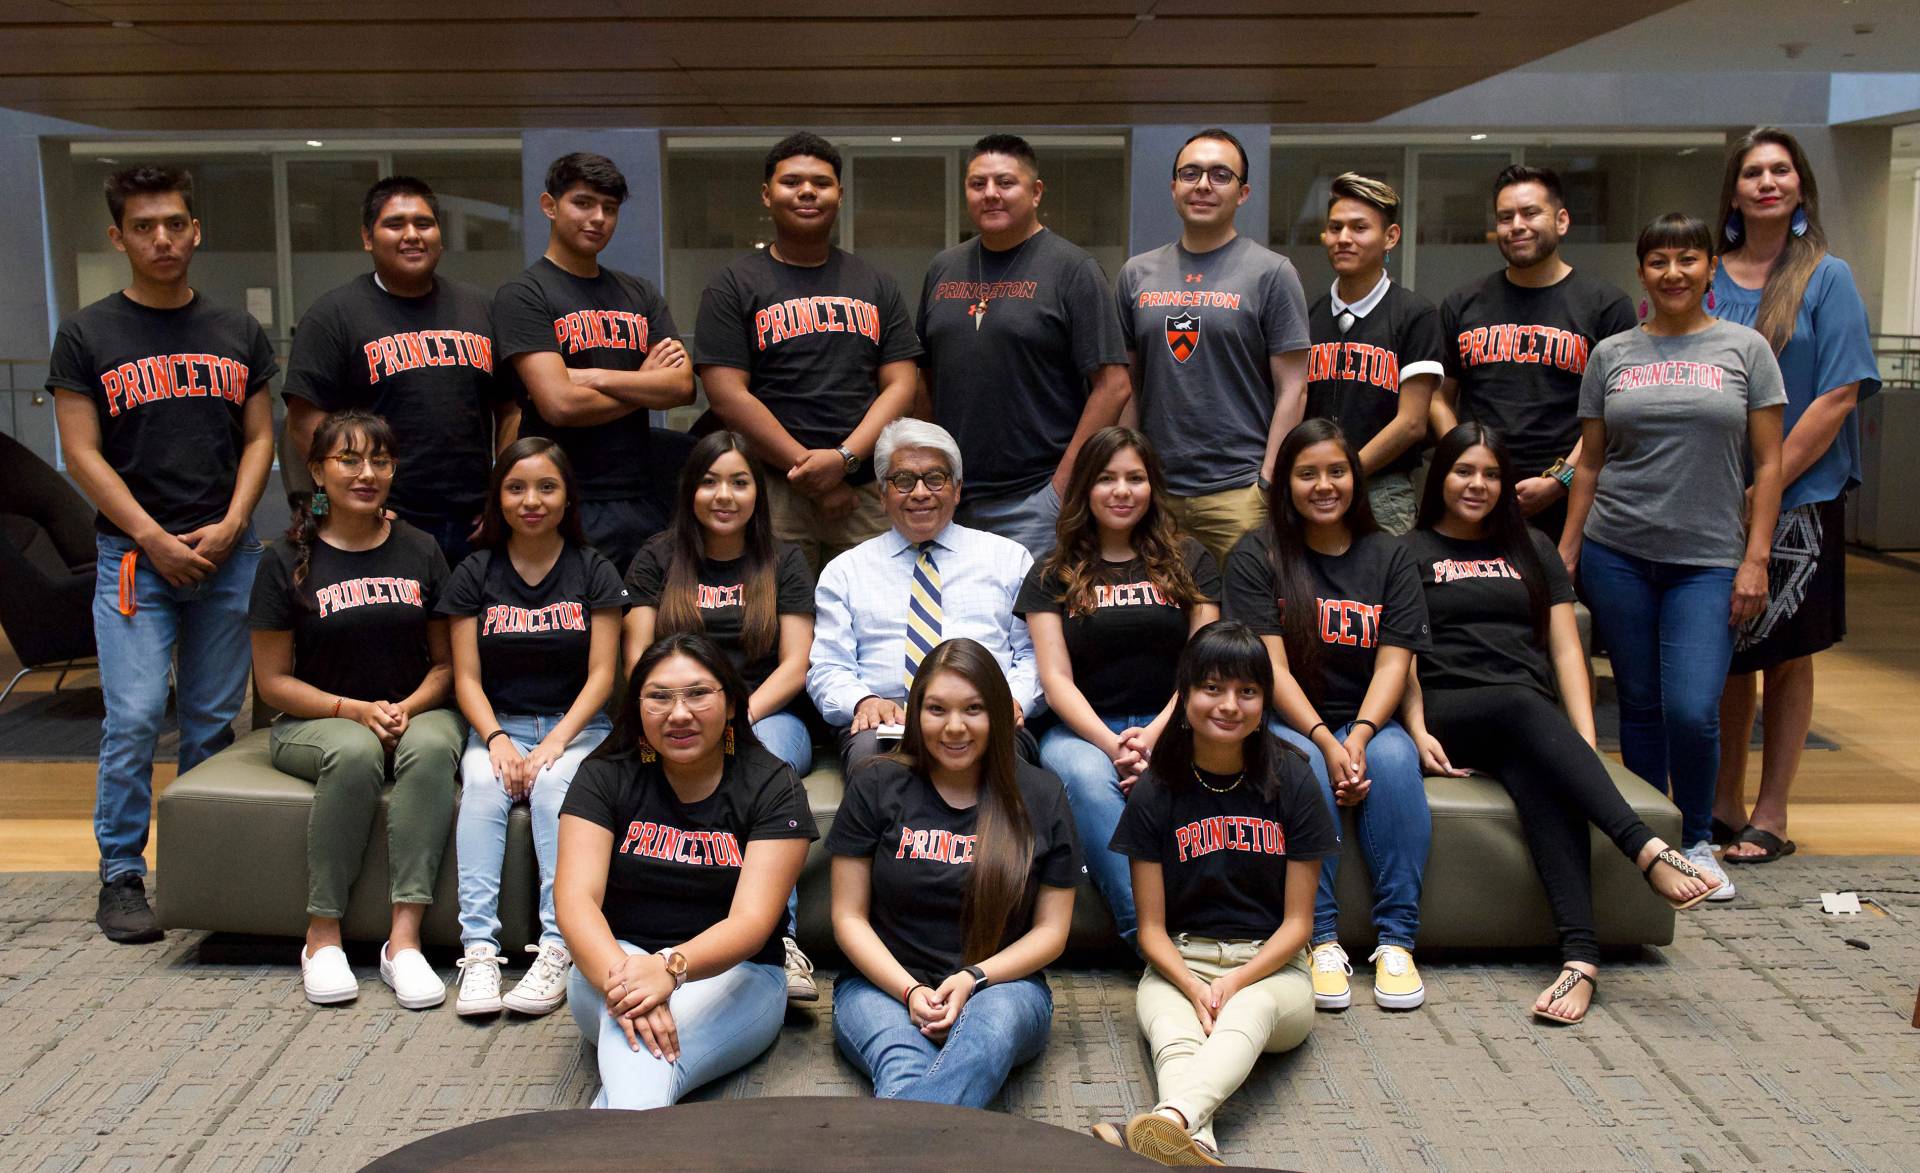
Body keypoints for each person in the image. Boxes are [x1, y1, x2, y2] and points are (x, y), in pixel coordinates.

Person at [1402, 424, 1722, 1026]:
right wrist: (1417, 730)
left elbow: (1567, 649)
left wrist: (1583, 738)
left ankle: (1581, 958)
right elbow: (1404, 658)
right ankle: (1646, 848)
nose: (1477, 485)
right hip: (1452, 709)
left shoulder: (1534, 550)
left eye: (1491, 474)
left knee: (1545, 779)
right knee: (1524, 707)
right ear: (1439, 477)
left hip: (1525, 718)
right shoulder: (1410, 552)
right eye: (1463, 471)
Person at [50, 164, 277, 944]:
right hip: (135, 563)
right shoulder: (88, 333)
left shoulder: (236, 332)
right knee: (138, 716)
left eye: (175, 223)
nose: (162, 238)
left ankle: (194, 866)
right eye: (144, 227)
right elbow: (82, 453)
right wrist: (151, 537)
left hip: (226, 556)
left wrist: (234, 522)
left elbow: (260, 437)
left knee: (215, 722)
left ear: (196, 229)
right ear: (118, 237)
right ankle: (121, 873)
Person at [1561, 213, 1786, 900]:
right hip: (1617, 551)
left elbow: (1771, 464)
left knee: (1693, 706)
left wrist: (1756, 558)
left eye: (1688, 259)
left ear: (1711, 267)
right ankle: (1652, 842)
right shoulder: (1613, 355)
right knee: (1638, 705)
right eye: (1659, 261)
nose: (1674, 273)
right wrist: (1568, 550)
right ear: (1642, 273)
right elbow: (1591, 464)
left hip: (1710, 559)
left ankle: (1696, 838)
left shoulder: (1745, 349)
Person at [1087, 622, 1336, 1166]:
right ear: (1186, 692)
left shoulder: (1293, 777)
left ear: (1265, 700)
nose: (1230, 705)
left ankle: (1162, 1126)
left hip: (1274, 973)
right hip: (1178, 965)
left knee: (1246, 1012)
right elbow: (1150, 930)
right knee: (1176, 1043)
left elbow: (1299, 924)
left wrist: (1233, 982)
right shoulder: (1155, 789)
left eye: (1247, 692)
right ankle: (1192, 1145)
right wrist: (1194, 987)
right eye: (1213, 688)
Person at [250, 411, 464, 1009]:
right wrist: (353, 710)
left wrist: (404, 707)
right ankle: (322, 938)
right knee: (354, 749)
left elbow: (447, 667)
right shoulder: (283, 557)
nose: (366, 473)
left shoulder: (420, 548)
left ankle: (405, 941)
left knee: (428, 750)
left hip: (415, 710)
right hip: (317, 721)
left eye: (379, 461)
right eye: (349, 460)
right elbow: (271, 682)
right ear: (318, 470)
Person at [1709, 128, 1882, 865]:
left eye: (1781, 170)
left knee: (1786, 651)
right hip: (1713, 493)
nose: (1768, 182)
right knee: (1724, 652)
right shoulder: (1707, 276)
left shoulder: (1828, 276)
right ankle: (1722, 799)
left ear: (1802, 187)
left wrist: (1767, 484)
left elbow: (1840, 392)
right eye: (1753, 172)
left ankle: (1772, 812)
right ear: (1735, 191)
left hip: (1802, 498)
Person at [1223, 419, 1433, 1013]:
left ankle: (1397, 942)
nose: (1324, 485)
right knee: (1306, 762)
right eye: (1307, 473)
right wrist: (1325, 738)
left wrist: (1362, 734)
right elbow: (1270, 671)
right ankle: (1319, 940)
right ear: (1285, 483)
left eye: (1336, 471)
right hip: (1289, 719)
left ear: (1356, 478)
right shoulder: (1255, 554)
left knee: (1394, 759)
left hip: (1367, 716)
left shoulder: (1391, 554)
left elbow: (1395, 665)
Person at [555, 632, 815, 1110]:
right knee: (646, 1052)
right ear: (637, 707)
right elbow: (574, 900)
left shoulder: (773, 784)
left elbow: (751, 924)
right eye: (659, 697)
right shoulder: (605, 773)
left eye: (698, 693)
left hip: (738, 976)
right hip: (611, 964)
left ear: (732, 704)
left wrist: (669, 971)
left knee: (639, 1065)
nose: (679, 713)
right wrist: (632, 980)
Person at [826, 638, 1080, 1107]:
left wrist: (973, 979)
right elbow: (848, 917)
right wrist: (908, 990)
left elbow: (1052, 932)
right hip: (882, 986)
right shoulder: (876, 784)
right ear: (915, 714)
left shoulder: (1041, 794)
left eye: (974, 709)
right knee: (903, 1064)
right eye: (937, 709)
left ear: (999, 714)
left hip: (1002, 988)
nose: (955, 727)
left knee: (985, 1039)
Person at [622, 430, 822, 1003]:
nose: (723, 495)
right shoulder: (657, 558)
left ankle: (777, 939)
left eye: (738, 482)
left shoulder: (783, 560)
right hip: (672, 711)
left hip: (765, 713)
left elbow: (795, 664)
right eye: (709, 481)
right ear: (690, 489)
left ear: (757, 492)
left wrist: (737, 720)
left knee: (765, 761)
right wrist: (670, 712)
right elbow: (638, 658)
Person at [440, 437, 627, 1017]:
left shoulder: (593, 568)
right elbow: (465, 678)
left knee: (554, 789)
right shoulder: (476, 571)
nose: (532, 500)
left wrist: (555, 742)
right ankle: (478, 950)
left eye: (547, 487)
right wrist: (495, 738)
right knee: (480, 791)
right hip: (500, 726)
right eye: (517, 488)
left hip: (579, 728)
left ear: (567, 496)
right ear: (498, 497)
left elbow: (603, 675)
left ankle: (557, 944)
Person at [1015, 426, 1220, 948]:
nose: (1122, 491)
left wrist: (1154, 738)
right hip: (1084, 732)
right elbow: (1055, 679)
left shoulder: (1190, 559)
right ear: (1084, 489)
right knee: (1084, 778)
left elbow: (1204, 667)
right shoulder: (1051, 571)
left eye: (1136, 477)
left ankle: (1216, 929)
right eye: (1106, 479)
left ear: (1153, 487)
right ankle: (1149, 942)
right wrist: (1114, 747)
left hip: (1179, 720)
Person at [697, 132, 922, 573]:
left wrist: (843, 460)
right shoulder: (733, 284)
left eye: (820, 182)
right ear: (767, 194)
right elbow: (726, 395)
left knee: (874, 622)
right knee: (778, 623)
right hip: (774, 490)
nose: (806, 191)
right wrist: (812, 474)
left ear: (839, 193)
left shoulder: (875, 282)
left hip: (863, 491)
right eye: (791, 181)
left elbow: (901, 385)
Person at [283, 175, 516, 567]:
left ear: (440, 235)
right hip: (379, 523)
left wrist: (500, 497)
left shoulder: (480, 308)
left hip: (474, 523)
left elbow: (509, 410)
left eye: (424, 224)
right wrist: (362, 506)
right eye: (395, 224)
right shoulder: (333, 316)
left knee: (466, 628)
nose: (412, 235)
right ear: (368, 238)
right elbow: (306, 424)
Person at [916, 133, 1130, 556]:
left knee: (1032, 622)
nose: (990, 194)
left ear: (1035, 192)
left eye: (1005, 182)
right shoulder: (944, 267)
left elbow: (1114, 385)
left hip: (1035, 498)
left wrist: (1062, 488)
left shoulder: (1073, 269)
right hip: (952, 496)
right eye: (978, 184)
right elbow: (924, 377)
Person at [1116, 128, 1310, 566]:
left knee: (1244, 622)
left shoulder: (1273, 273)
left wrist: (1268, 479)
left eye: (1220, 175)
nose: (1203, 185)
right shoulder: (1135, 273)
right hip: (1156, 491)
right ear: (1173, 187)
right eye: (1191, 173)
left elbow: (1294, 387)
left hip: (1239, 491)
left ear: (1242, 193)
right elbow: (1128, 383)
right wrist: (1129, 469)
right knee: (1161, 619)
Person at [493, 152, 694, 572]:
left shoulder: (639, 293)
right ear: (550, 206)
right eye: (583, 203)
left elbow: (681, 387)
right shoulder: (525, 295)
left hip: (641, 497)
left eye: (610, 208)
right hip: (566, 500)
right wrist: (643, 384)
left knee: (645, 627)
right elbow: (559, 406)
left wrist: (596, 376)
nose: (598, 217)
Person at [807, 418, 1039, 773]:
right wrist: (863, 701)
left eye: (935, 478)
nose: (919, 493)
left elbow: (1033, 655)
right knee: (875, 768)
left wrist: (1015, 699)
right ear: (883, 494)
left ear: (957, 489)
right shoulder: (845, 571)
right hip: (888, 720)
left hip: (984, 712)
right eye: (903, 481)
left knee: (1009, 760)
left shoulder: (1009, 559)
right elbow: (828, 666)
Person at [1432, 165, 1637, 542]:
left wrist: (1562, 480)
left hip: (1572, 504)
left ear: (1561, 221)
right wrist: (1464, 464)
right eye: (1505, 217)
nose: (1517, 226)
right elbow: (1440, 399)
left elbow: (1614, 412)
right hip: (1477, 499)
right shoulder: (1462, 304)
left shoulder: (1606, 306)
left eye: (1530, 213)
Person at [1305, 173, 1445, 535]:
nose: (1344, 239)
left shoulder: (1415, 314)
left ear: (1390, 237)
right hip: (1312, 490)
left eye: (1359, 228)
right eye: (1335, 228)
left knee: (1383, 590)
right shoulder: (1310, 315)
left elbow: (1412, 422)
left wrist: (1343, 474)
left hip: (1382, 491)